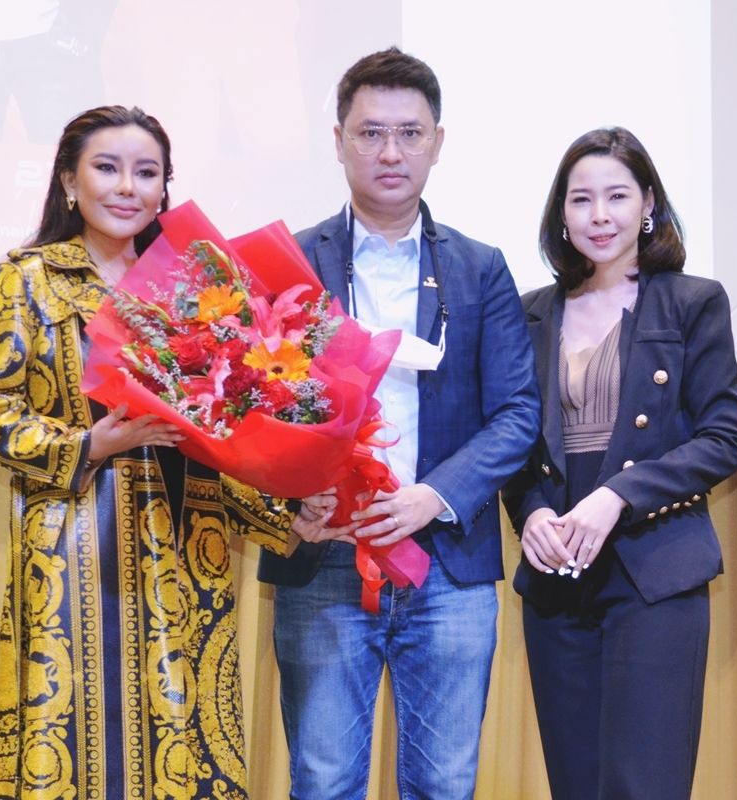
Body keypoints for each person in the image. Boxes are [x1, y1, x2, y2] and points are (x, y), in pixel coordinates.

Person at [0, 105, 291, 800]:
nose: (127, 187)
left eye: (146, 173)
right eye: (107, 168)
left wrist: (289, 511)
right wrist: (90, 444)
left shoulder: (196, 289)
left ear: (165, 187)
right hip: (76, 545)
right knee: (76, 736)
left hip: (188, 542)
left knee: (189, 735)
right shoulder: (28, 278)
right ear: (69, 181)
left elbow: (227, 435)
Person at [257, 48, 541, 799]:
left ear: (437, 143)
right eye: (371, 132)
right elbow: (250, 406)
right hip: (324, 558)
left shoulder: (481, 268)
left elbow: (518, 411)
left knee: (444, 784)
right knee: (323, 781)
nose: (390, 152)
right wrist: (292, 498)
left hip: (446, 563)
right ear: (339, 141)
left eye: (410, 133)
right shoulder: (290, 262)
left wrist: (431, 497)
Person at [501, 127, 737, 799]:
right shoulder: (529, 314)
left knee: (645, 785)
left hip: (654, 574)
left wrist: (617, 496)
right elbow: (513, 442)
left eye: (617, 196)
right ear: (562, 212)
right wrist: (531, 514)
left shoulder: (693, 302)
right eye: (581, 199)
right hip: (557, 577)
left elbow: (725, 436)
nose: (600, 215)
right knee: (575, 785)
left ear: (648, 204)